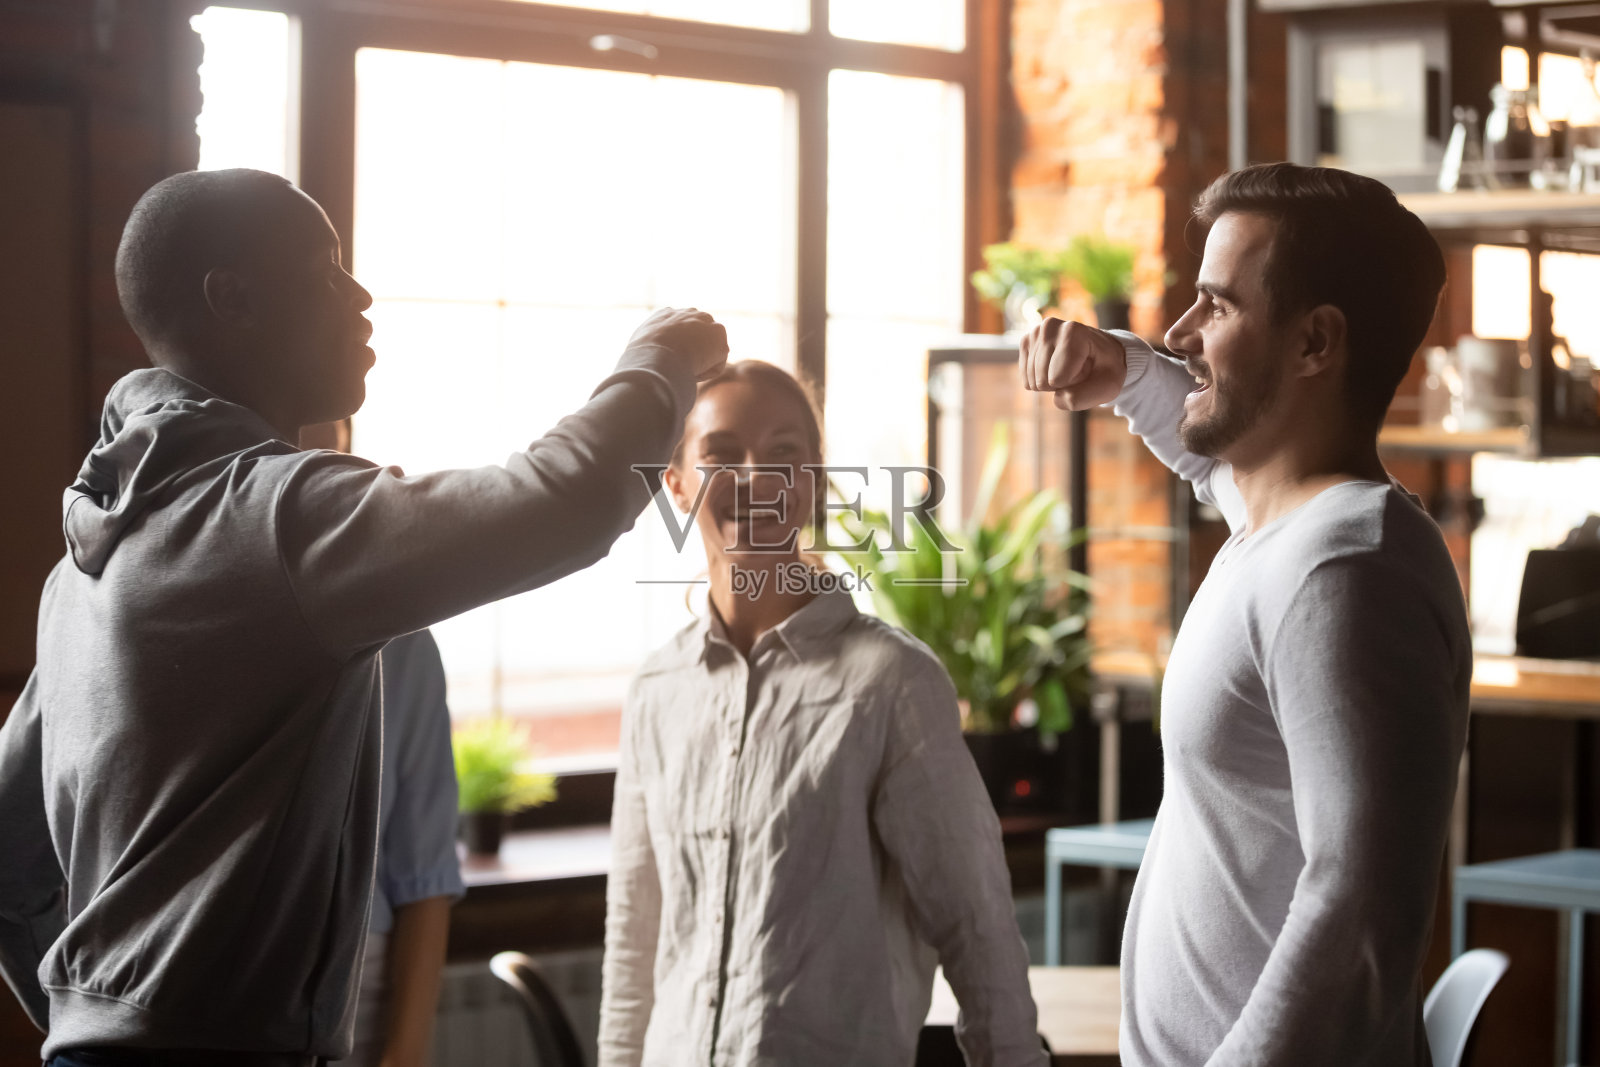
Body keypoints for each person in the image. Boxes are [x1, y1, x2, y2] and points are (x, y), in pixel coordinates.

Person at [0, 167, 726, 1066]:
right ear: (233, 298)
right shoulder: (274, 518)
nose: (360, 295)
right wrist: (661, 357)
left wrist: (96, 1019)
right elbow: (564, 500)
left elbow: (10, 860)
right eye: (325, 268)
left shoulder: (82, 569)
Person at [1019, 162, 1472, 1065]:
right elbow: (1207, 461)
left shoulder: (1342, 569)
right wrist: (1124, 368)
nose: (1180, 331)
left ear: (1315, 343)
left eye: (1217, 306)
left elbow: (1358, 917)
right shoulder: (1286, 524)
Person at [597, 359, 1046, 1067]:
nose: (757, 479)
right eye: (721, 453)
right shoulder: (657, 689)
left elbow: (977, 927)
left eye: (783, 453)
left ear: (811, 481)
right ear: (676, 484)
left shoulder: (891, 683)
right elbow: (635, 939)